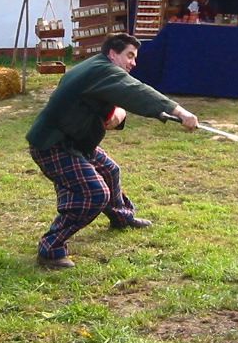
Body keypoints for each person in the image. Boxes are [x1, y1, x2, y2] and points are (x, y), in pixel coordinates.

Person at [26, 32, 199, 269]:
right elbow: (137, 91)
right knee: (94, 194)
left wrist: (121, 112)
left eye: (135, 57)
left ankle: (121, 217)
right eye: (129, 55)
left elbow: (109, 102)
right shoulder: (103, 70)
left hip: (76, 141)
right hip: (53, 144)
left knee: (109, 170)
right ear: (112, 53)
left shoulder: (97, 68)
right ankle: (51, 248)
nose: (133, 62)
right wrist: (180, 112)